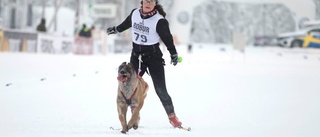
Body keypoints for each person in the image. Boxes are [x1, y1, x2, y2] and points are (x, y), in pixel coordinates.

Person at [107, 0, 183, 128]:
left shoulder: (159, 21)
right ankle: (134, 116)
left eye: (151, 2)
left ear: (155, 4)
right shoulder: (135, 13)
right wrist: (115, 29)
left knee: (161, 90)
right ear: (142, 2)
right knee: (130, 86)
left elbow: (168, 39)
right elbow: (125, 24)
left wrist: (173, 54)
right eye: (146, 1)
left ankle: (173, 118)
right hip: (136, 57)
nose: (148, 3)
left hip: (154, 58)